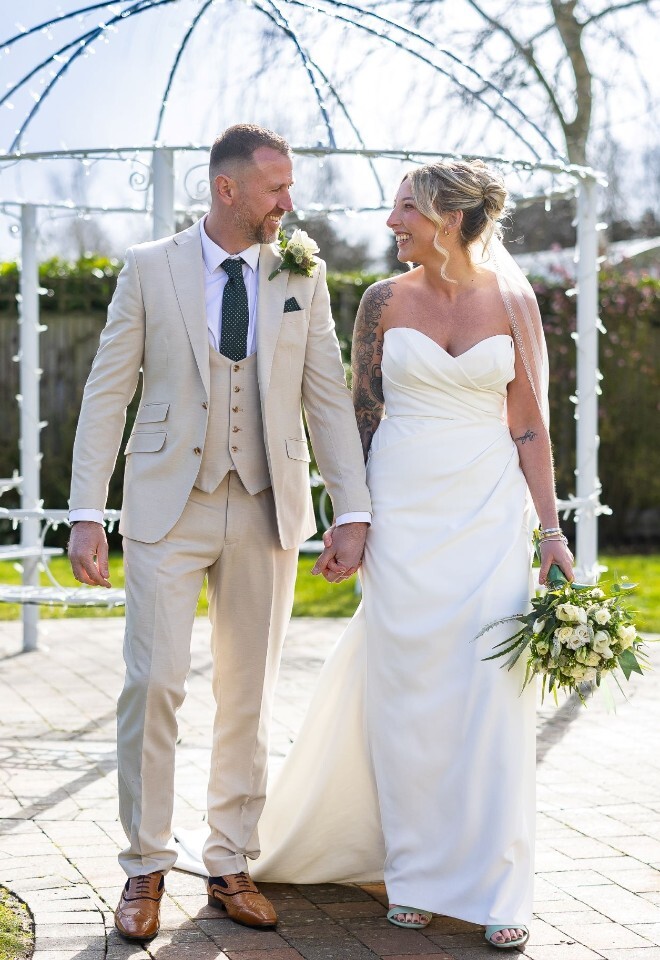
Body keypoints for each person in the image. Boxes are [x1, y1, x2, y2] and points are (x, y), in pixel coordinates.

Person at [174, 157, 574, 951]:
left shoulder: (514, 300)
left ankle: (497, 883)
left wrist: (551, 530)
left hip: (487, 514)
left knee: (491, 693)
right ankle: (417, 873)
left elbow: (528, 424)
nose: (392, 224)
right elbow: (360, 416)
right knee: (407, 689)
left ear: (450, 218)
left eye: (404, 211)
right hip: (403, 513)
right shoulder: (382, 302)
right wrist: (350, 518)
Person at [67, 123, 371, 943]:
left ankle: (230, 859)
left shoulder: (300, 277)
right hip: (170, 504)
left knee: (248, 695)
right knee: (154, 685)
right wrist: (88, 512)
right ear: (227, 188)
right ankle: (144, 866)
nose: (289, 201)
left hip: (267, 501)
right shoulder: (148, 268)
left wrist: (352, 510)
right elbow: (107, 395)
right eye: (276, 187)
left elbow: (327, 398)